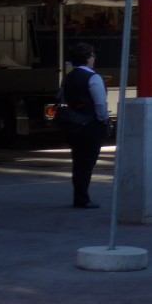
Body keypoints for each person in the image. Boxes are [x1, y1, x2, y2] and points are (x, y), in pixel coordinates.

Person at [60, 42, 110, 209]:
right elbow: (100, 104)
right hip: (91, 125)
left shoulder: (69, 77)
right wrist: (104, 119)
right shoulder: (93, 77)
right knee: (87, 162)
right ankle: (82, 197)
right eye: (93, 56)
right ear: (88, 58)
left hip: (73, 123)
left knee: (78, 161)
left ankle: (79, 195)